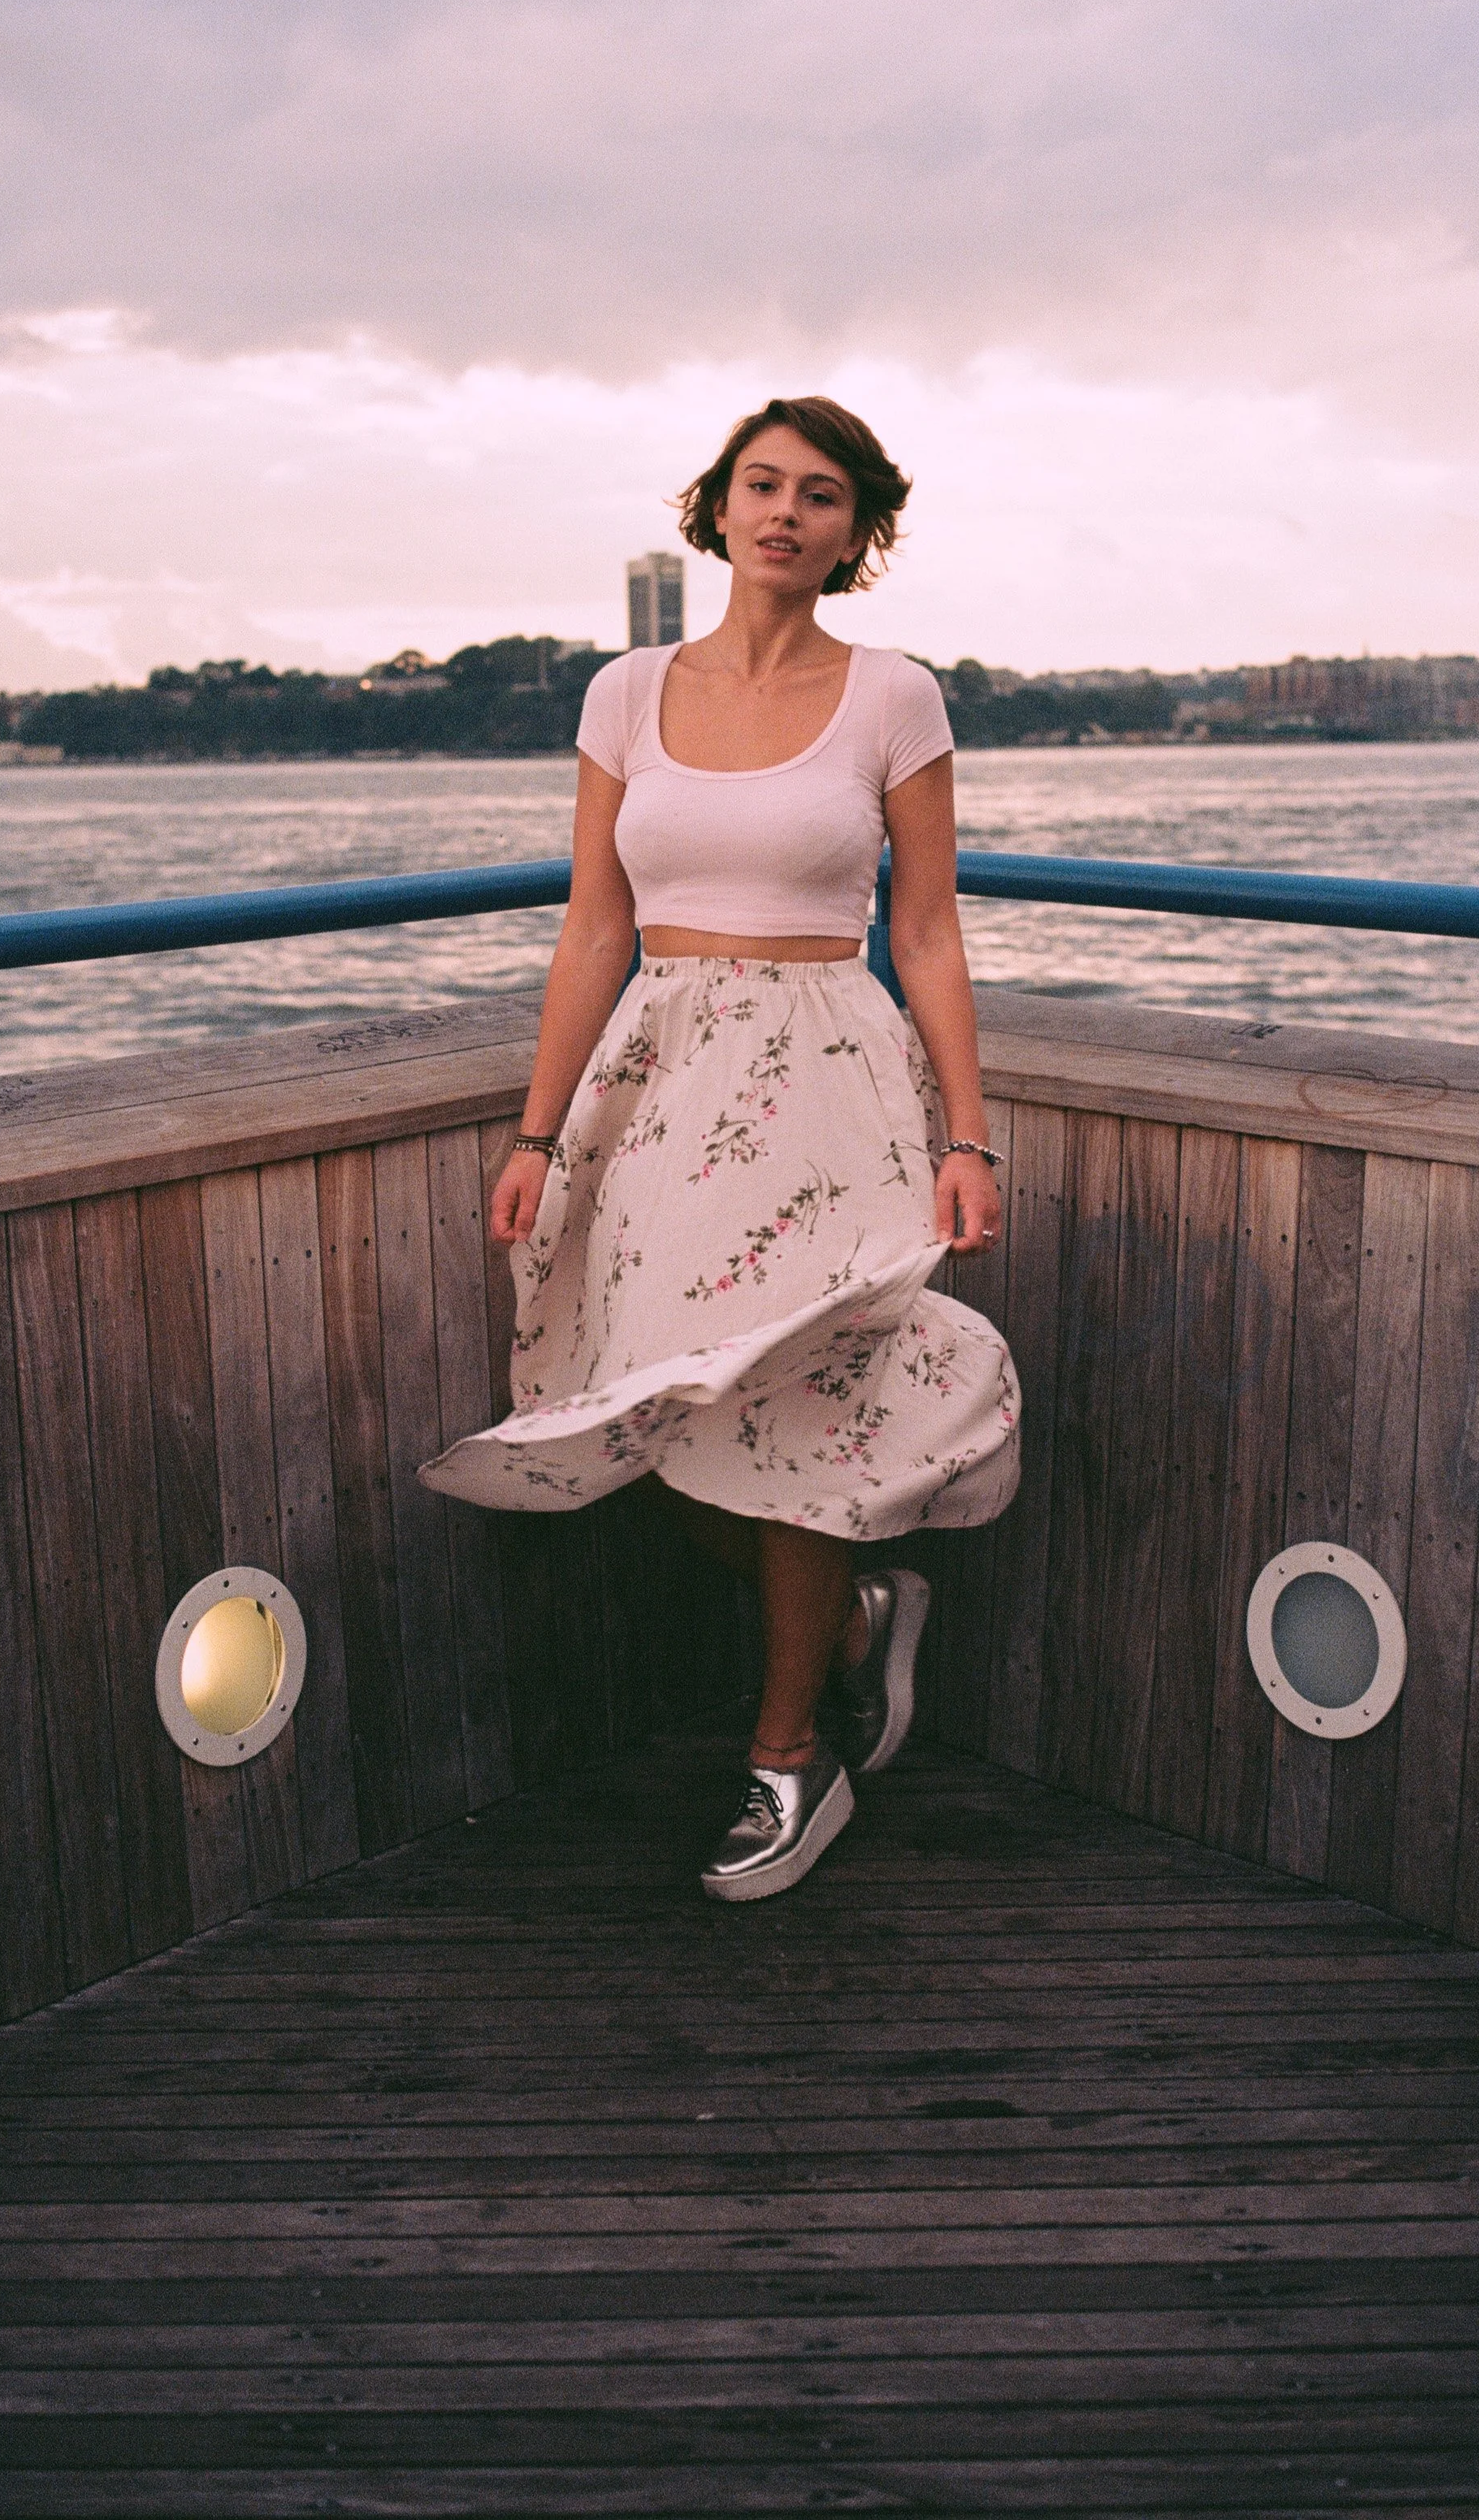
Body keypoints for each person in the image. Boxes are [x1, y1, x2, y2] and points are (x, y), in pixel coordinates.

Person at [423, 397, 1021, 1899]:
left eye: (821, 495)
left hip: (831, 1085)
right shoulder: (627, 691)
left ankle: (788, 1755)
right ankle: (858, 1620)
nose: (785, 513)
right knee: (654, 1420)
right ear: (718, 506)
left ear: (854, 532)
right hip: (662, 1087)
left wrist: (969, 1135)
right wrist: (538, 1131)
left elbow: (927, 932)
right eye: (763, 484)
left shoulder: (895, 697)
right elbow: (594, 927)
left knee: (799, 1407)